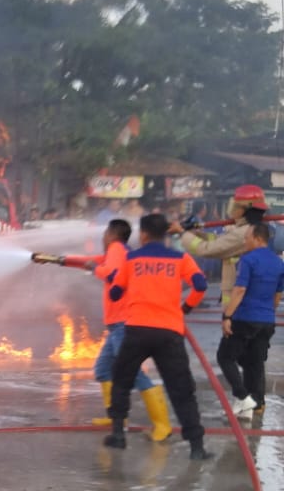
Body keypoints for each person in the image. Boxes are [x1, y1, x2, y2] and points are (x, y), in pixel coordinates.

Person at [106, 211, 210, 460]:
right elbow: (200, 285)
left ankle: (118, 434)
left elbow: (115, 292)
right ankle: (197, 447)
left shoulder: (132, 258)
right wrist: (185, 308)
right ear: (165, 234)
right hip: (169, 332)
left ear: (143, 235)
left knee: (122, 380)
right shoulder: (181, 258)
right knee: (181, 389)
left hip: (137, 330)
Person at [93, 219, 172, 441]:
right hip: (117, 325)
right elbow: (97, 263)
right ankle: (116, 417)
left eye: (105, 233)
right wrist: (64, 261)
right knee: (103, 369)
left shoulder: (116, 249)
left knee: (133, 372)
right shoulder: (121, 251)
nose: (103, 237)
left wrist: (93, 268)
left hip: (122, 324)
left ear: (112, 234)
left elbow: (110, 274)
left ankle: (162, 424)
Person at [217, 219, 284, 416]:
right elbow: (277, 296)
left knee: (225, 357)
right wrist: (267, 312)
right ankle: (256, 404)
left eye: (246, 238)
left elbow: (239, 290)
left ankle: (243, 396)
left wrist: (227, 316)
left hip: (245, 317)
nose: (244, 241)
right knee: (254, 362)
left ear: (257, 238)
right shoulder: (278, 262)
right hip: (267, 320)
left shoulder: (248, 260)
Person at [170, 184, 268, 306]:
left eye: (235, 205)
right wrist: (197, 234)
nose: (232, 209)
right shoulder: (247, 229)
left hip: (237, 302)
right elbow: (220, 240)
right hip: (239, 297)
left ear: (245, 209)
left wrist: (182, 233)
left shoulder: (243, 233)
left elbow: (208, 249)